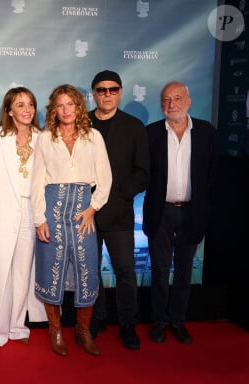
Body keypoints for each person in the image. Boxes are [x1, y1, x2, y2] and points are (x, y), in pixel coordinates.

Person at [32, 84, 112, 356]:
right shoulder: (45, 138)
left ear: (79, 107)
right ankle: (55, 330)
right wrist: (38, 220)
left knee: (87, 271)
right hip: (52, 211)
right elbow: (37, 181)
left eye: (71, 104)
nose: (65, 110)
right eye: (60, 105)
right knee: (49, 270)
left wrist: (94, 208)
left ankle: (82, 330)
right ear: (53, 109)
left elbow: (105, 178)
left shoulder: (94, 137)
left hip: (82, 214)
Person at [144, 81, 216, 345]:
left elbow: (211, 175)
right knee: (160, 272)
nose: (171, 104)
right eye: (165, 99)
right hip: (159, 212)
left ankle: (178, 321)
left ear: (188, 100)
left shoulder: (206, 132)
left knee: (185, 271)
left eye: (176, 98)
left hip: (192, 213)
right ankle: (159, 322)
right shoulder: (150, 133)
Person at [87, 70, 150, 350]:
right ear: (94, 93)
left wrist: (120, 195)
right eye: (101, 90)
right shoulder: (81, 122)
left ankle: (127, 323)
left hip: (120, 213)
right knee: (90, 271)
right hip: (85, 212)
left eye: (112, 89)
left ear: (120, 92)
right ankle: (96, 318)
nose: (107, 94)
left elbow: (143, 172)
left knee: (125, 271)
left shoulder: (134, 126)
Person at [0, 87, 47, 352]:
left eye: (30, 104)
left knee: (24, 271)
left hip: (32, 211)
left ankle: (18, 326)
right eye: (20, 105)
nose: (27, 109)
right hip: (1, 212)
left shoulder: (44, 138)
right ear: (9, 110)